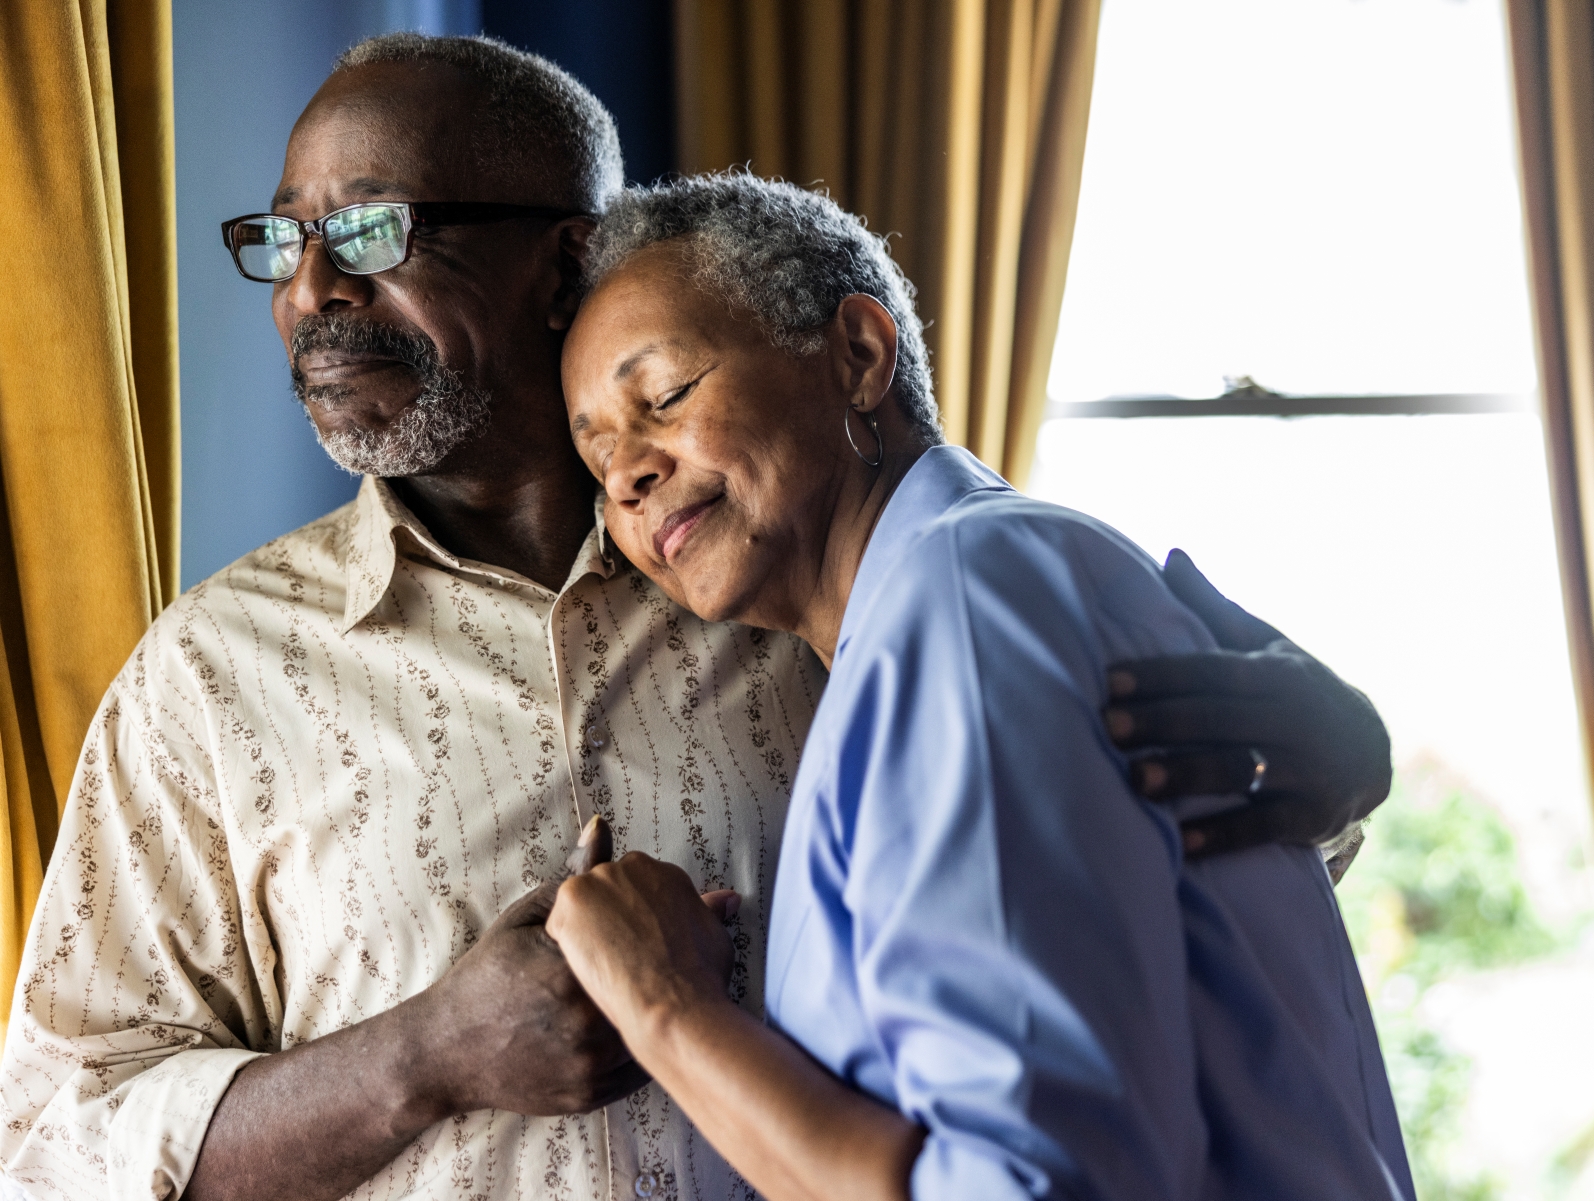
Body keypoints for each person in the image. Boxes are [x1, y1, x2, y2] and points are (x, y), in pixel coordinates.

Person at [0, 33, 1392, 1201]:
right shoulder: (208, 680)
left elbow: (1121, 937)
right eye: (285, 245)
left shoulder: (830, 583)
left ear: (565, 262)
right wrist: (420, 1055)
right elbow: (52, 1145)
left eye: (369, 229)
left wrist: (1330, 765)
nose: (312, 292)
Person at [547, 173, 1414, 1200]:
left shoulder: (962, 597)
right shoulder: (936, 613)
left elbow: (1025, 1184)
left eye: (668, 398)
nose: (629, 476)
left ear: (859, 355)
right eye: (598, 454)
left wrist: (667, 1010)